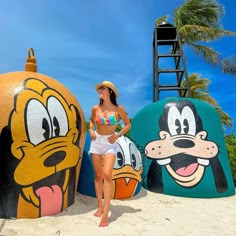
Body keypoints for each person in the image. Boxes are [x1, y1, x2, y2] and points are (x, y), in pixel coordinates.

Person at [89, 80, 131, 227]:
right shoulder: (96, 108)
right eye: (99, 88)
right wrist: (91, 131)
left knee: (107, 174)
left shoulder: (118, 108)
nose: (100, 90)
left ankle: (105, 213)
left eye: (103, 88)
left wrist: (117, 135)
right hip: (96, 142)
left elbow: (128, 124)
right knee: (98, 175)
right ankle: (99, 206)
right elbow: (91, 122)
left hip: (110, 143)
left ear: (110, 91)